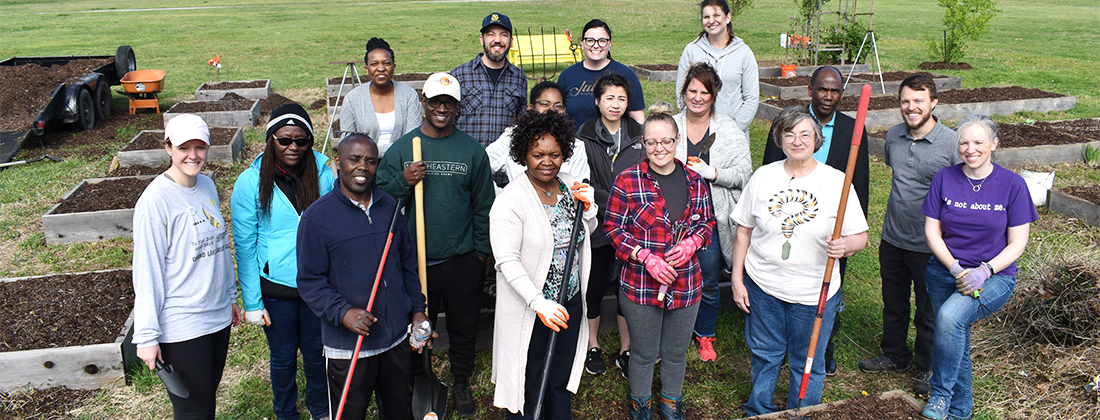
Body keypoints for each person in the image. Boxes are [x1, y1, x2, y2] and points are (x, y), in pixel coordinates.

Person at [730, 107, 868, 416]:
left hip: (813, 291)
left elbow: (861, 237)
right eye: (789, 134)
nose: (797, 140)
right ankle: (761, 409)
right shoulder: (764, 176)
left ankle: (802, 411)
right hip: (763, 285)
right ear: (779, 138)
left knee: (807, 361)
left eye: (805, 134)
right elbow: (743, 232)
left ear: (817, 139)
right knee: (766, 353)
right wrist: (738, 280)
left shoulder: (837, 183)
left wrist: (846, 245)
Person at [376, 72, 495, 418]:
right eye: (435, 101)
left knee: (463, 324)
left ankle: (460, 380)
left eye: (449, 102)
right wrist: (403, 180)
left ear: (457, 107)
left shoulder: (471, 151)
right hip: (415, 261)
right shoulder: (402, 150)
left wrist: (480, 254)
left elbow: (483, 205)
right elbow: (379, 200)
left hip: (462, 260)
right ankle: (418, 377)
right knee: (415, 325)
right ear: (423, 103)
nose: (442, 107)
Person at [297, 134, 430, 420]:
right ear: (338, 163)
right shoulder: (317, 218)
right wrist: (343, 313)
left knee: (398, 411)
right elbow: (310, 281)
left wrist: (418, 311)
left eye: (370, 161)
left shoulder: (390, 208)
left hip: (395, 339)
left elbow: (407, 264)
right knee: (350, 414)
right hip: (349, 346)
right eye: (354, 159)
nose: (362, 167)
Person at [919, 115, 1037, 420]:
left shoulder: (1013, 185)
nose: (970, 149)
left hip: (996, 276)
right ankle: (960, 411)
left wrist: (984, 271)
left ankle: (940, 395)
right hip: (945, 270)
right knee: (955, 332)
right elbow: (932, 232)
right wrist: (957, 269)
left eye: (978, 142)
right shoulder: (944, 178)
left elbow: (1017, 243)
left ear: (994, 144)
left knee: (948, 318)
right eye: (964, 143)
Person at [605, 102, 716, 420]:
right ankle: (640, 403)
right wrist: (645, 257)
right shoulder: (628, 180)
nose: (659, 148)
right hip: (641, 285)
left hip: (686, 283)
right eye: (651, 142)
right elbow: (613, 228)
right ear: (643, 143)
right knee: (643, 352)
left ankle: (670, 402)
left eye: (666, 141)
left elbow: (707, 222)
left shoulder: (695, 180)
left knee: (675, 351)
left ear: (677, 140)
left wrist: (694, 242)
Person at [490, 109, 599, 419]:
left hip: (569, 302)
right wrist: (540, 304)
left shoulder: (569, 187)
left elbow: (581, 236)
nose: (547, 161)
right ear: (523, 154)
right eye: (538, 154)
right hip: (531, 307)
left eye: (555, 154)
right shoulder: (511, 200)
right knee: (529, 376)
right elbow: (507, 261)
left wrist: (589, 210)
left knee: (558, 378)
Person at [132, 114, 242, 419]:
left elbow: (219, 248)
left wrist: (230, 297)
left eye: (200, 147)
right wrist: (147, 336)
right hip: (182, 323)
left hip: (216, 316)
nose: (193, 155)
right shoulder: (155, 201)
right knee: (192, 409)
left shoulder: (207, 185)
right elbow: (147, 271)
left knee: (207, 400)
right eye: (184, 148)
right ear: (168, 147)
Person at [762, 65, 869, 376]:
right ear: (810, 89)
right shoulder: (788, 123)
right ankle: (783, 348)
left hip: (830, 228)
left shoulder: (851, 130)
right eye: (823, 89)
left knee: (829, 290)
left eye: (835, 91)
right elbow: (769, 167)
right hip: (790, 219)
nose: (828, 96)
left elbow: (857, 183)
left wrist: (851, 232)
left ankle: (824, 349)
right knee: (785, 286)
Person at [231, 103, 334, 420]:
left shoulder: (323, 174)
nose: (293, 147)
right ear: (270, 139)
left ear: (310, 142)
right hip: (277, 289)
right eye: (285, 140)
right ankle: (286, 412)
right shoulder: (249, 184)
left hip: (317, 285)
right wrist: (252, 302)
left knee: (317, 355)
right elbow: (245, 247)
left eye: (301, 141)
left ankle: (320, 407)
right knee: (284, 356)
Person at [859, 74, 960, 396]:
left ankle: (928, 367)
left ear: (934, 103)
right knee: (894, 301)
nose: (911, 107)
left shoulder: (951, 143)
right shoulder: (893, 137)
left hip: (931, 244)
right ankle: (895, 354)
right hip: (893, 236)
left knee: (928, 310)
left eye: (919, 101)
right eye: (905, 101)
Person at [672, 62, 752, 362]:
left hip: (711, 220)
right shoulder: (671, 126)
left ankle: (704, 334)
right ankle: (674, 332)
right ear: (684, 91)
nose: (698, 97)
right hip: (674, 218)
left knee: (707, 278)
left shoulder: (729, 131)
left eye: (704, 92)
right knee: (674, 275)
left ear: (714, 94)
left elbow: (744, 174)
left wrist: (714, 173)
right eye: (692, 90)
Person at [575, 73, 645, 378]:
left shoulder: (640, 136)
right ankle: (592, 345)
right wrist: (616, 203)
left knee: (625, 288)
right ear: (597, 101)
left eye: (621, 99)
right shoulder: (583, 136)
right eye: (609, 98)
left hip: (633, 228)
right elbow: (583, 181)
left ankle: (625, 349)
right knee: (594, 285)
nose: (615, 105)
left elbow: (646, 177)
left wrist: (631, 209)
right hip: (598, 226)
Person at [485, 81, 590, 193]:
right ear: (531, 108)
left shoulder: (576, 145)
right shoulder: (510, 138)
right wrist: (501, 195)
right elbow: (480, 168)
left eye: (558, 106)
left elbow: (580, 188)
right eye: (545, 104)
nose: (551, 110)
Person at [676, 0, 759, 138]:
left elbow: (751, 98)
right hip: (697, 132)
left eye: (716, 16)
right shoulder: (691, 51)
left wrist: (734, 129)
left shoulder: (744, 53)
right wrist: (694, 125)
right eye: (706, 17)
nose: (711, 21)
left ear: (728, 18)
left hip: (733, 133)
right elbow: (681, 92)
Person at [451, 12, 528, 149]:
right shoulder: (460, 75)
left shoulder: (519, 77)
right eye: (491, 34)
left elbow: (522, 125)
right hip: (469, 162)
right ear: (482, 39)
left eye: (503, 34)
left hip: (504, 164)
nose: (497, 40)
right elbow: (449, 121)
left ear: (511, 41)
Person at [557, 18, 646, 131]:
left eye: (602, 41)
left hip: (615, 145)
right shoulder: (567, 76)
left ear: (610, 44)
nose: (596, 45)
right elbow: (558, 115)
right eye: (590, 40)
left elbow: (637, 118)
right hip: (574, 143)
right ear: (582, 43)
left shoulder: (626, 75)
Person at [339, 38, 423, 155]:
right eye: (374, 64)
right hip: (363, 165)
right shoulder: (353, 98)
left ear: (393, 67)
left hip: (400, 163)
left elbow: (412, 139)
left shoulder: (409, 95)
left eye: (386, 63)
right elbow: (347, 143)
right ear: (367, 69)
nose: (381, 68)